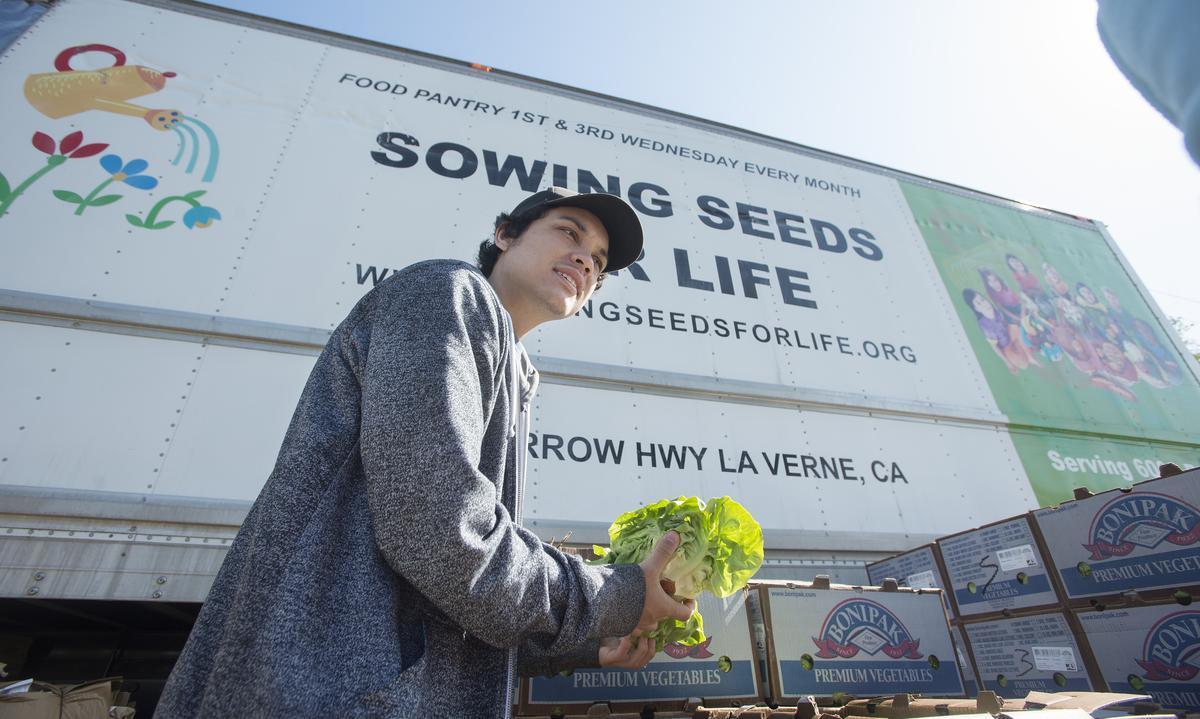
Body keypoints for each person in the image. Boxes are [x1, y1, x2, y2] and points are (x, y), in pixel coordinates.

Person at [155, 187, 696, 718]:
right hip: (318, 689)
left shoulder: (514, 371)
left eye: (599, 261)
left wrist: (584, 643)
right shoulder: (449, 293)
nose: (585, 259)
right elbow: (439, 530)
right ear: (504, 235)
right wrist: (611, 596)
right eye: (569, 233)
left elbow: (446, 596)